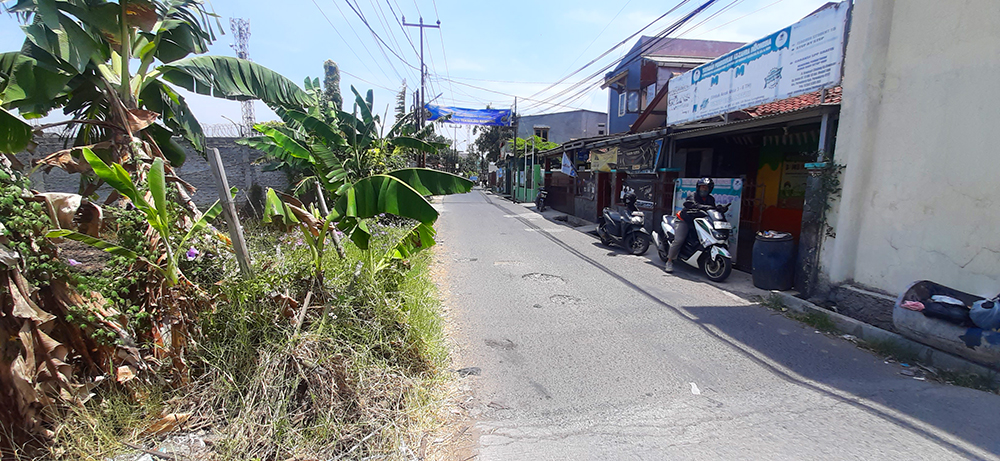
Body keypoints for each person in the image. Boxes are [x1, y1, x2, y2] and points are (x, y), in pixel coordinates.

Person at [665, 177, 716, 273]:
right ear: (698, 187)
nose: (704, 189)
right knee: (679, 240)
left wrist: (719, 209)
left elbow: (712, 209)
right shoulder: (692, 196)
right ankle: (669, 261)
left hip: (699, 222)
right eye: (702, 187)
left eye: (706, 187)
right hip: (685, 220)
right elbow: (693, 205)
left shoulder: (711, 199)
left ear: (710, 189)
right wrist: (708, 207)